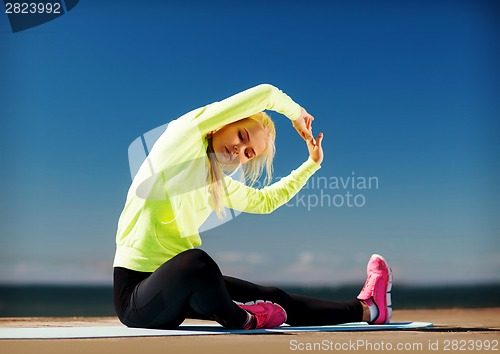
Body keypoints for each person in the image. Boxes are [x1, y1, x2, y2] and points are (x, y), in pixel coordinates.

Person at [113, 84, 392, 330]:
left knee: (273, 297)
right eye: (241, 135)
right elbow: (267, 93)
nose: (239, 149)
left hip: (181, 291)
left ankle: (369, 309)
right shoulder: (183, 137)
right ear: (226, 122)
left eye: (248, 153)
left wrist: (311, 165)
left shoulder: (217, 183)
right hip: (136, 297)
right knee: (196, 263)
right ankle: (243, 319)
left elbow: (265, 201)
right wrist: (296, 114)